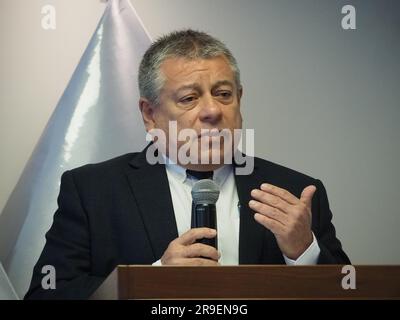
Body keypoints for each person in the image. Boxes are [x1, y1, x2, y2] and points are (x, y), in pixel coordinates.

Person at [25, 29, 350, 299]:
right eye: (189, 98)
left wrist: (305, 252)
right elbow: (47, 294)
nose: (212, 111)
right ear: (150, 114)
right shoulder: (92, 191)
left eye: (224, 94)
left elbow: (349, 292)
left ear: (240, 100)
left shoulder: (296, 192)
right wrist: (151, 280)